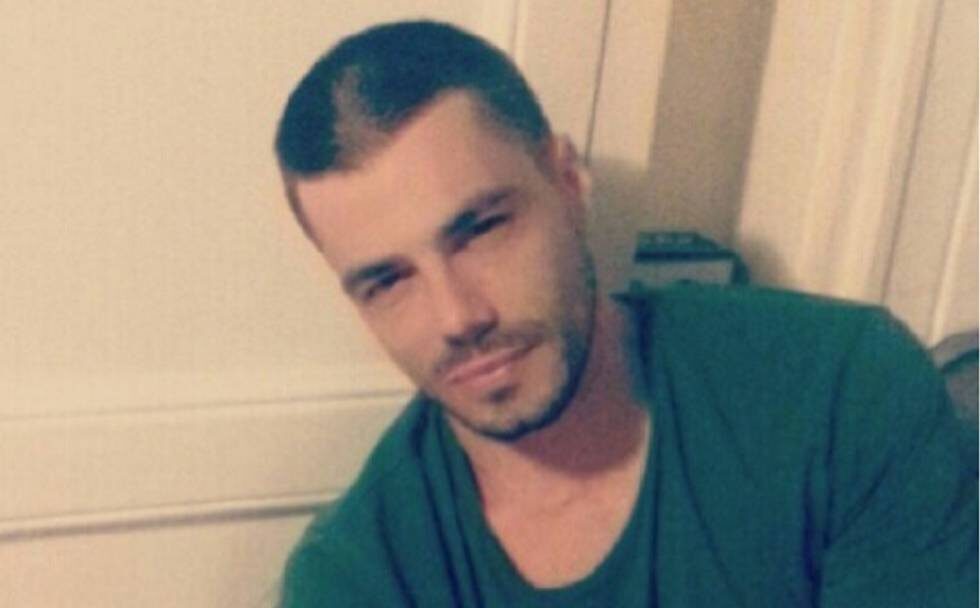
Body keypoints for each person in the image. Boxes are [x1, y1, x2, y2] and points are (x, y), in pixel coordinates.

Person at [274, 20, 976, 607]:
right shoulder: (359, 577)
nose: (457, 316)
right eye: (388, 281)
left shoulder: (838, 390)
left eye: (481, 229)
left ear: (568, 182)